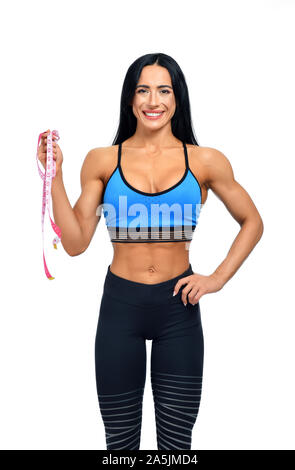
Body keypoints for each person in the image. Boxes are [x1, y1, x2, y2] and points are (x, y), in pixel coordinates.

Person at [38, 53, 264, 450]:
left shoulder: (205, 160)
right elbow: (74, 244)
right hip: (120, 307)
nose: (152, 100)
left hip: (179, 308)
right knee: (120, 446)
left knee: (176, 446)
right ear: (130, 99)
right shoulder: (103, 161)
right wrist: (53, 175)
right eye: (142, 90)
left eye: (164, 90)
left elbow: (253, 221)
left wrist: (216, 279)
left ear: (177, 98)